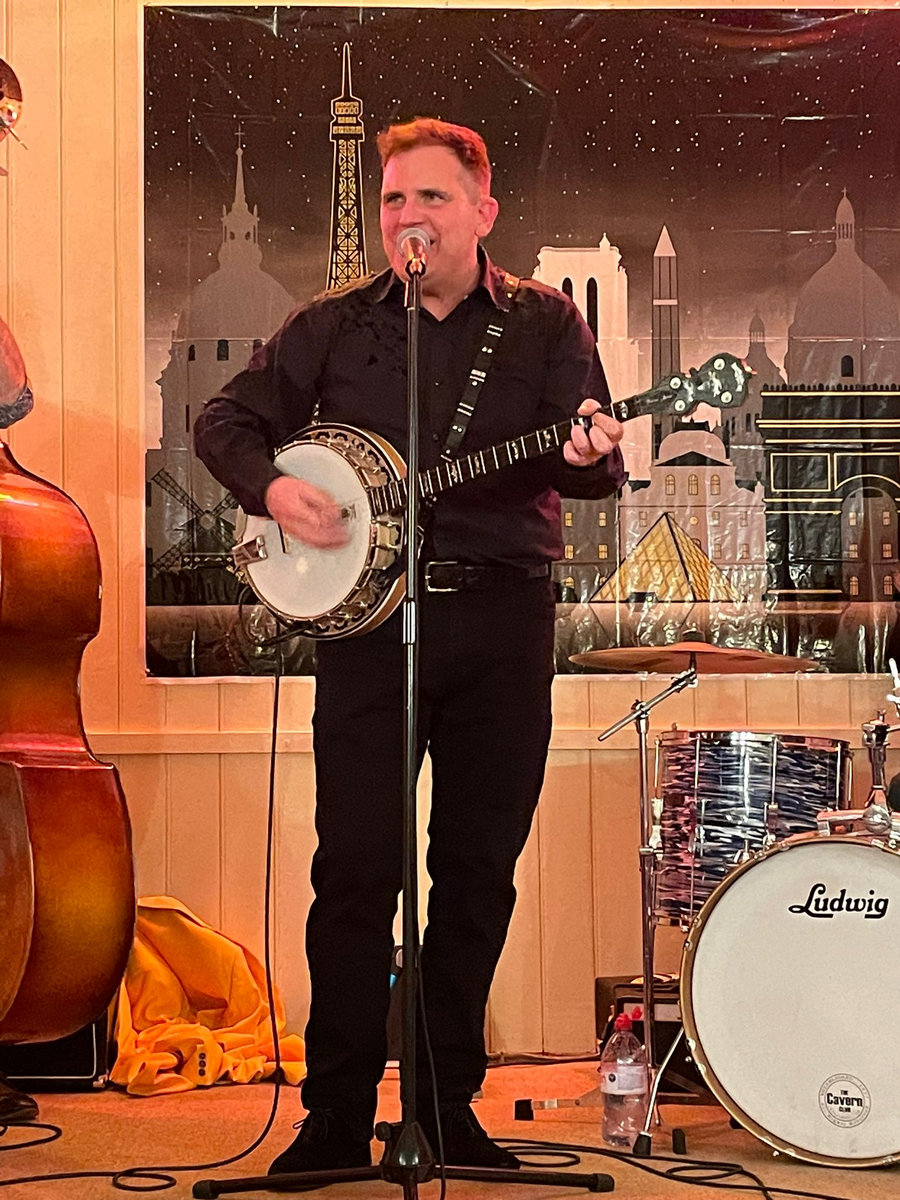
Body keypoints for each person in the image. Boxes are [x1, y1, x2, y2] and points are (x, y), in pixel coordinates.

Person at [195, 117, 625, 1177]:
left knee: (476, 872)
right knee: (354, 871)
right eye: (393, 199)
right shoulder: (334, 324)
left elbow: (590, 469)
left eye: (431, 197)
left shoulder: (546, 323)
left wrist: (588, 453)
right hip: (369, 633)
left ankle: (443, 1105)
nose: (407, 218)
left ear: (483, 212)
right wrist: (275, 490)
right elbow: (224, 422)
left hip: (503, 621)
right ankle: (335, 1117)